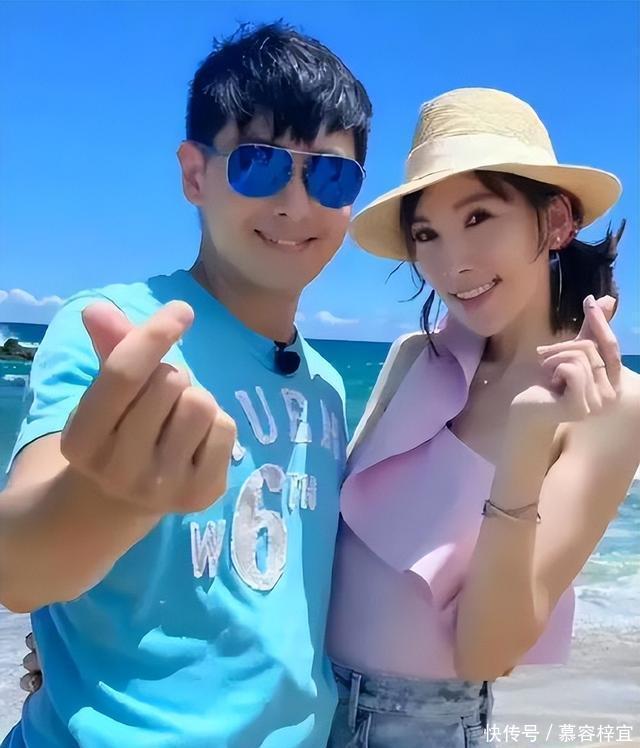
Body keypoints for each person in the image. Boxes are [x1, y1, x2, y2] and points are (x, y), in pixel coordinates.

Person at [0, 22, 372, 748]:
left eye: (331, 175)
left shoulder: (326, 386)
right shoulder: (115, 329)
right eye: (260, 164)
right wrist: (108, 499)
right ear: (194, 174)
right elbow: (20, 567)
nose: (296, 204)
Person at [326, 88, 640, 747]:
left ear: (555, 221)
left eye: (478, 218)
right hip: (297, 705)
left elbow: (487, 651)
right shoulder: (416, 355)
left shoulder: (615, 402)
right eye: (427, 235)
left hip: (421, 728)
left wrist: (528, 437)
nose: (452, 263)